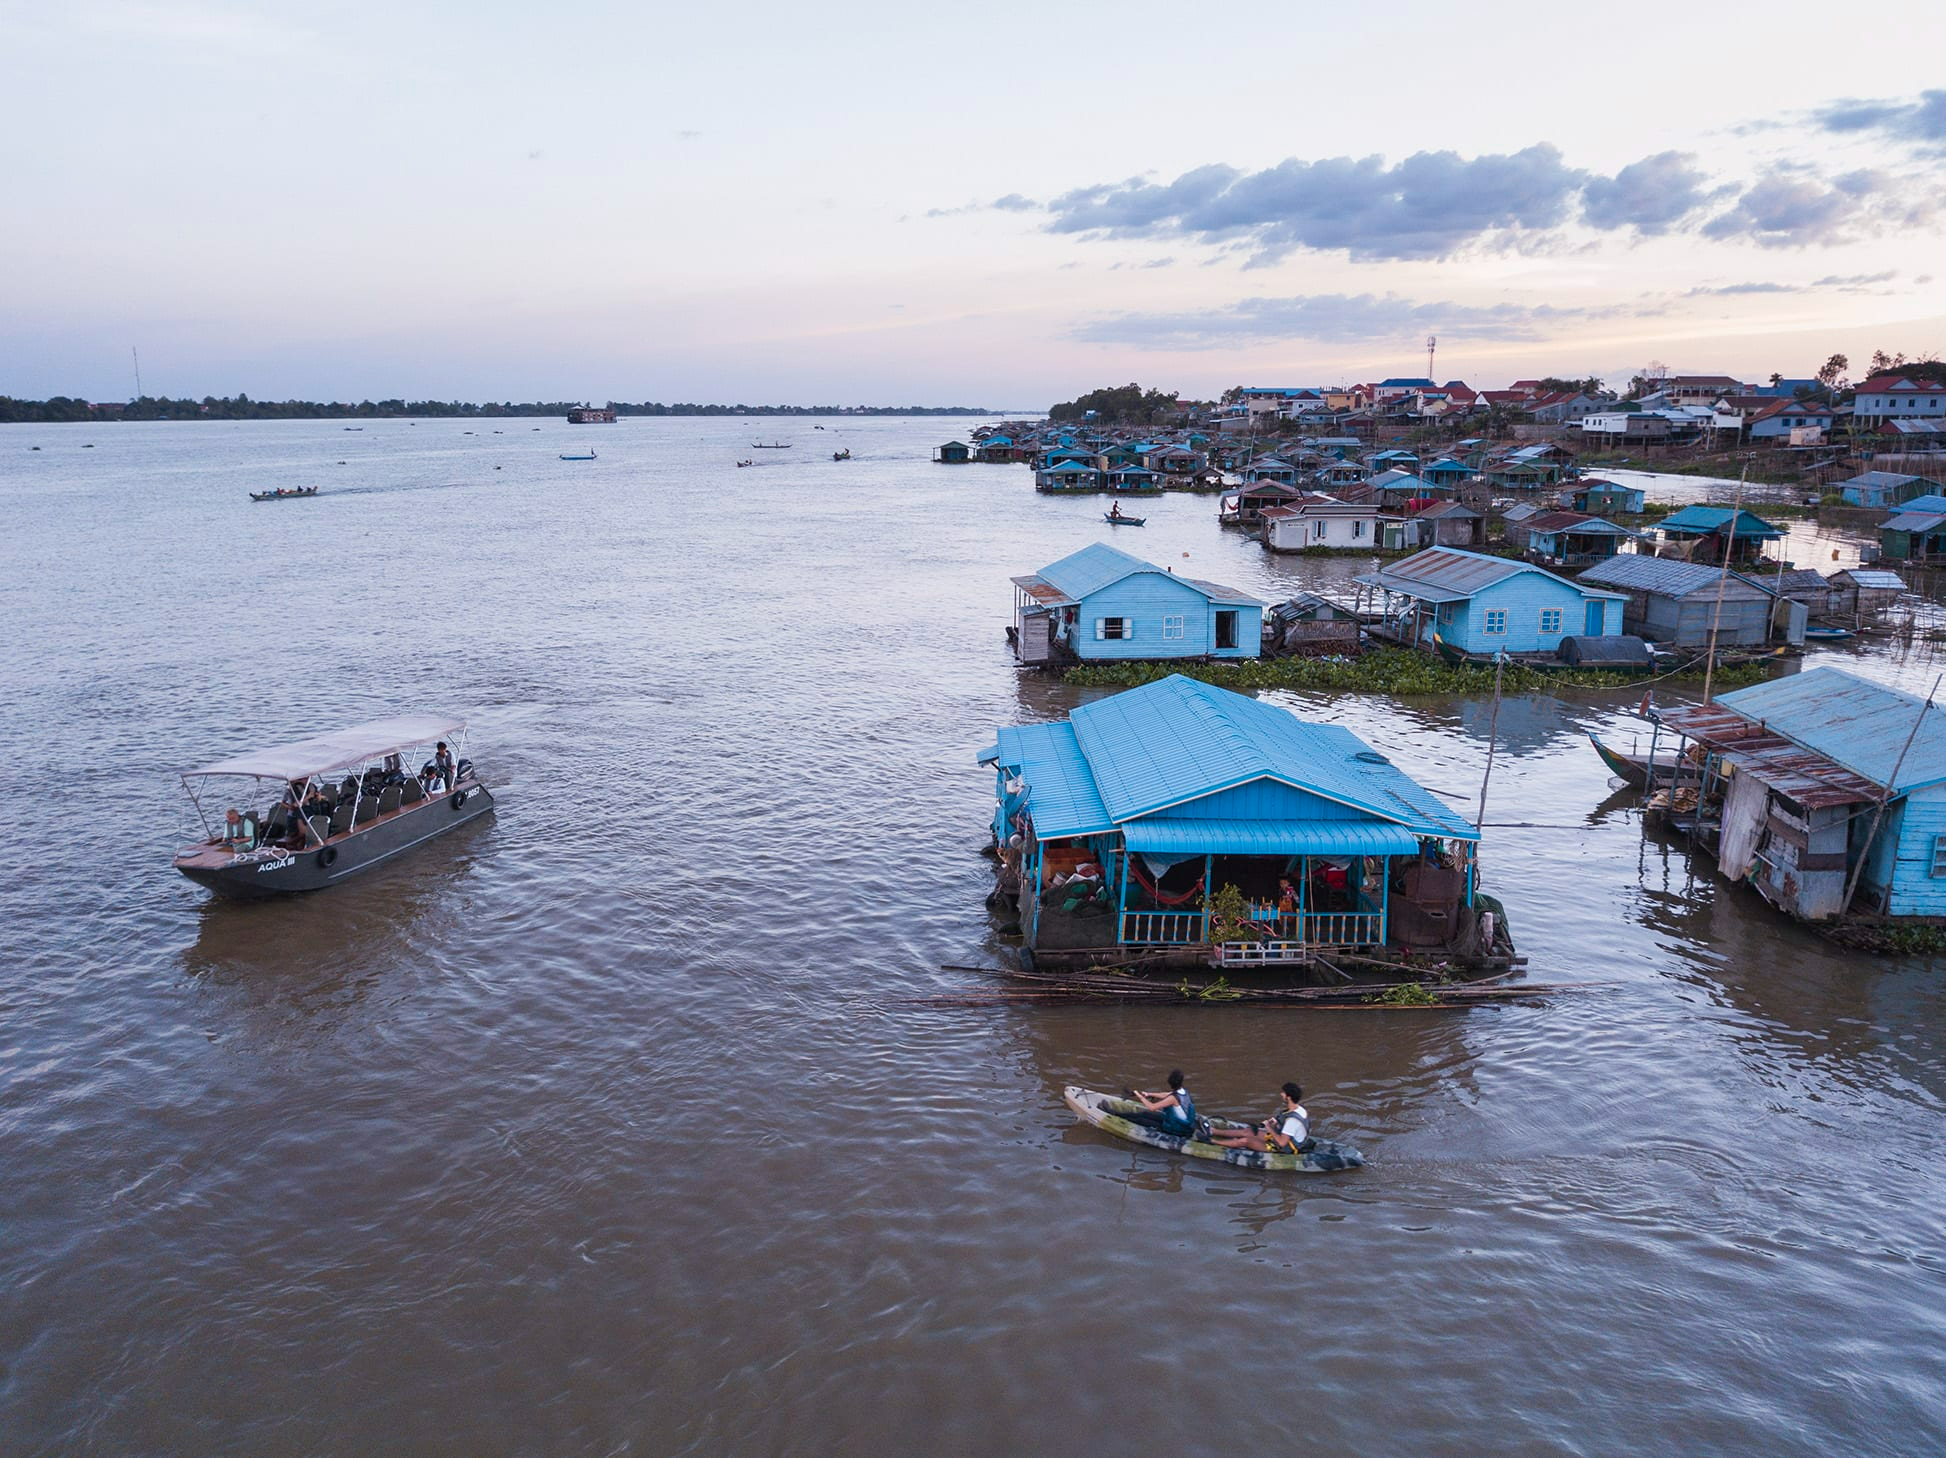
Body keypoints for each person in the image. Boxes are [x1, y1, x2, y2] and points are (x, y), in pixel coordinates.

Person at [1210, 1082, 1310, 1155]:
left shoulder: (1292, 1121)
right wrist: (1275, 1122)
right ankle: (1213, 1131)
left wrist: (1269, 1127)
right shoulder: (1299, 1109)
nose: (1281, 1094)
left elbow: (1282, 1143)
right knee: (1248, 1131)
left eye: (1283, 1093)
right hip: (1283, 1139)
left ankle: (1212, 1141)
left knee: (1245, 1141)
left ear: (1288, 1097)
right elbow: (1285, 1120)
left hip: (1284, 1148)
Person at [1125, 1071, 1198, 1138]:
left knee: (1141, 1120)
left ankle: (1119, 1116)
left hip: (1176, 1129)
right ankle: (1121, 1114)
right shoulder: (1184, 1092)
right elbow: (1166, 1094)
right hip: (1177, 1123)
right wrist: (1148, 1094)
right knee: (1145, 1114)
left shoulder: (1173, 1098)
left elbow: (1152, 1107)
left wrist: (1138, 1095)